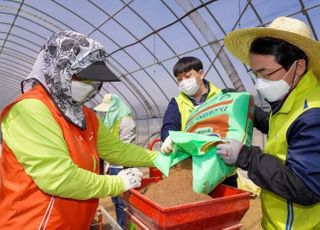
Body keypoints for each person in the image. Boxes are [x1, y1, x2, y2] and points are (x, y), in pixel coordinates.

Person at [0, 31, 160, 229]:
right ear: (59, 70)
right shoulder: (30, 110)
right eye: (83, 77)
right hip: (35, 223)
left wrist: (157, 158)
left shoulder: (84, 114)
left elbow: (117, 150)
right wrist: (115, 183)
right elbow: (59, 177)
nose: (91, 86)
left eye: (94, 80)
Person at [216, 16, 320, 229]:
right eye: (255, 74)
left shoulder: (313, 115)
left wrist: (246, 156)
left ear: (298, 67)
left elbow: (305, 185)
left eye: (265, 73)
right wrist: (249, 109)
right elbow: (281, 128)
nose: (260, 83)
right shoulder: (292, 97)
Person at [160, 56, 238, 187]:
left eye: (188, 76)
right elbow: (168, 125)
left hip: (223, 167)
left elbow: (235, 125)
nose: (183, 82)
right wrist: (168, 138)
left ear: (201, 74)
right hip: (194, 169)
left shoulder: (222, 96)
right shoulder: (177, 103)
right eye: (179, 79)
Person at [94, 93, 136, 229]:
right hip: (113, 166)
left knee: (123, 202)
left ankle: (124, 226)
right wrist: (108, 165)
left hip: (122, 167)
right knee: (116, 201)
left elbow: (126, 147)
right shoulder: (112, 122)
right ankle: (120, 225)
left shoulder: (126, 121)